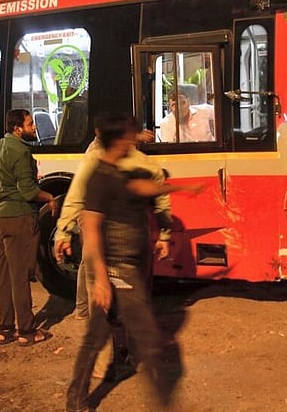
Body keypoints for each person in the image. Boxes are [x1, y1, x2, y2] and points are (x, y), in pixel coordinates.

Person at [58, 113, 203, 412]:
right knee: (148, 339)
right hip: (116, 270)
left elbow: (142, 189)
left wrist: (181, 189)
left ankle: (76, 399)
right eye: (129, 135)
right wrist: (100, 278)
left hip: (128, 266)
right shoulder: (99, 175)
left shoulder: (120, 172)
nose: (134, 139)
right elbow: (93, 229)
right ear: (117, 140)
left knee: (96, 337)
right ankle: (164, 403)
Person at [54, 124, 172, 379]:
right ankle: (135, 356)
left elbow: (76, 197)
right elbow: (162, 202)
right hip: (132, 243)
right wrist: (164, 236)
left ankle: (103, 364)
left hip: (104, 240)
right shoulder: (144, 163)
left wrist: (64, 231)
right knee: (136, 301)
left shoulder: (95, 160)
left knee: (103, 303)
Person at [0, 109, 58, 346]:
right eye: (30, 124)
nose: (34, 127)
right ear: (18, 129)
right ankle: (27, 330)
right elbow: (28, 191)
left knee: (3, 275)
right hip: (18, 216)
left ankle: (5, 329)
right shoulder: (21, 150)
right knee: (20, 275)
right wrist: (50, 197)